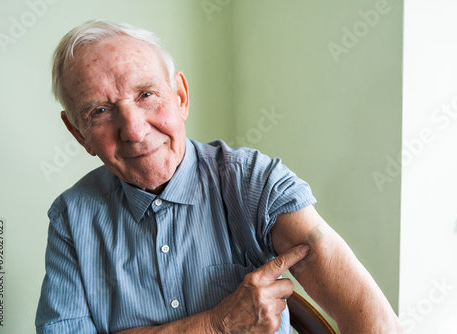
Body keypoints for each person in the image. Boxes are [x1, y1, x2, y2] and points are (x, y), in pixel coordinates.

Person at [35, 19, 402, 334]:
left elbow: (370, 317)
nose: (133, 130)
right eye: (99, 111)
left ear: (180, 96)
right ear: (78, 132)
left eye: (146, 94)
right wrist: (216, 325)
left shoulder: (255, 183)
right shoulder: (72, 218)